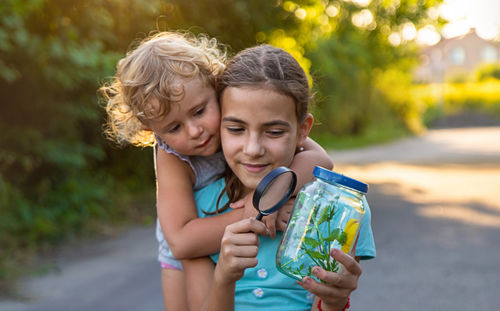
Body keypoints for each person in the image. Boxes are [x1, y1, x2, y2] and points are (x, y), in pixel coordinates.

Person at [100, 32, 333, 311]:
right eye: (174, 128)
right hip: (185, 245)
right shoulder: (171, 155)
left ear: (214, 86)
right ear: (152, 131)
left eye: (199, 111)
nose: (195, 131)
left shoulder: (240, 118)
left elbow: (321, 159)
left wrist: (273, 193)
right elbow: (182, 242)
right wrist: (255, 209)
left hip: (220, 220)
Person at [182, 44, 376, 311]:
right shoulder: (200, 208)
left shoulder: (337, 210)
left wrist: (335, 300)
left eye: (273, 132)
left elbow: (330, 300)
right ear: (219, 126)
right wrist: (224, 277)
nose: (252, 149)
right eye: (236, 129)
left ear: (302, 130)